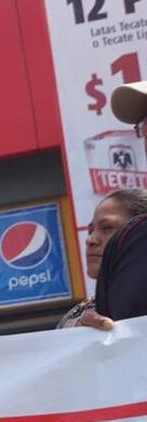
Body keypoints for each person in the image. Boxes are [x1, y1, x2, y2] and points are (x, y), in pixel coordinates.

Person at [79, 82, 147, 329]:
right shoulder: (134, 238)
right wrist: (79, 336)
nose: (92, 240)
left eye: (107, 228)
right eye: (145, 125)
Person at [57, 189, 147, 327]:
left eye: (107, 228)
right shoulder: (83, 314)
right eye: (90, 230)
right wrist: (79, 328)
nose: (90, 240)